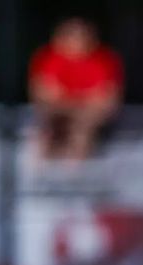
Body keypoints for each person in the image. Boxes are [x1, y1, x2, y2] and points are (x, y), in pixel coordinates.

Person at [27, 18, 124, 161]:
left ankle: (75, 170)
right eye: (71, 36)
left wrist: (71, 101)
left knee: (81, 128)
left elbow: (106, 97)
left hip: (87, 114)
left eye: (81, 36)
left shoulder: (104, 60)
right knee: (44, 128)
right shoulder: (48, 58)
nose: (76, 41)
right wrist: (76, 100)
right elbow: (44, 92)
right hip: (59, 110)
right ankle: (40, 169)